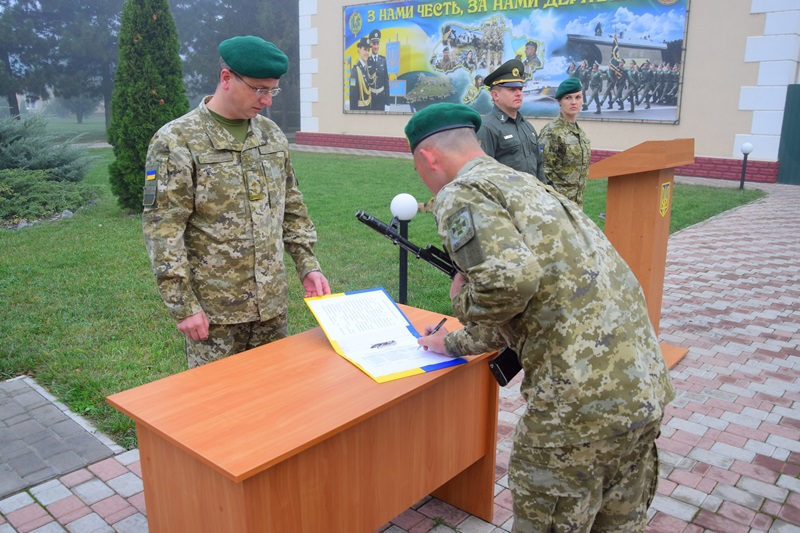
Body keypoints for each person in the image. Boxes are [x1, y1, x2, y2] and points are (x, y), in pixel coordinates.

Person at [405, 102, 675, 533]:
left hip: (576, 414)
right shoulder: (527, 185)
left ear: (428, 158)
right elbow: (532, 298)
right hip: (641, 392)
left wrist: (462, 299)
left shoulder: (462, 193)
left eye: (418, 169)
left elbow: (509, 284)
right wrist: (452, 342)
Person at [142, 35, 331, 368]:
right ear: (226, 78)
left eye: (272, 91)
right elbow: (164, 227)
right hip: (216, 313)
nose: (267, 100)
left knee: (276, 390)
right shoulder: (177, 140)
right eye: (259, 89)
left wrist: (308, 264)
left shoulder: (271, 136)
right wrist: (182, 304)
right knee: (216, 398)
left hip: (271, 306)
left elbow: (292, 206)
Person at [476, 58, 545, 183]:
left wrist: (544, 192)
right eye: (512, 89)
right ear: (495, 95)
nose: (518, 93)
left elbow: (539, 165)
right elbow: (482, 174)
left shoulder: (527, 127)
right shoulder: (487, 127)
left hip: (533, 194)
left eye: (520, 89)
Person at [539, 77, 592, 206]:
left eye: (578, 97)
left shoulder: (579, 132)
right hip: (557, 206)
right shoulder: (552, 132)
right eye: (568, 98)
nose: (574, 102)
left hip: (576, 204)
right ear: (559, 101)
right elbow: (543, 173)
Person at [367, 29, 389, 111]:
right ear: (371, 44)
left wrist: (387, 102)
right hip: (370, 99)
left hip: (381, 98)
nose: (376, 46)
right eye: (374, 44)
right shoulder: (367, 61)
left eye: (377, 44)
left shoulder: (383, 60)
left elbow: (386, 82)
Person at [349, 37, 372, 111]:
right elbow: (353, 97)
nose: (367, 53)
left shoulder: (366, 68)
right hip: (360, 110)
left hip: (368, 108)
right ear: (359, 50)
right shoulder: (355, 71)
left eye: (368, 50)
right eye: (365, 49)